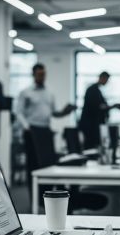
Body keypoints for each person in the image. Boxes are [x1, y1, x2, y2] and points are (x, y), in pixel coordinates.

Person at [16, 63, 76, 195]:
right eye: (39, 74)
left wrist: (65, 112)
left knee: (48, 164)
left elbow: (54, 113)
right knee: (33, 165)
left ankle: (46, 195)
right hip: (31, 131)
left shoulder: (49, 92)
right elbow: (18, 112)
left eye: (44, 74)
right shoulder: (26, 92)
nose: (42, 77)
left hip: (45, 131)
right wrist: (26, 126)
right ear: (33, 75)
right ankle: (34, 197)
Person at [78, 71, 120, 149]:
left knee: (94, 145)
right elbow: (98, 107)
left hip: (92, 125)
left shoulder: (96, 90)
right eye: (106, 80)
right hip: (90, 125)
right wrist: (113, 106)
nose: (107, 82)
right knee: (91, 146)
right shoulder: (92, 90)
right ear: (102, 78)